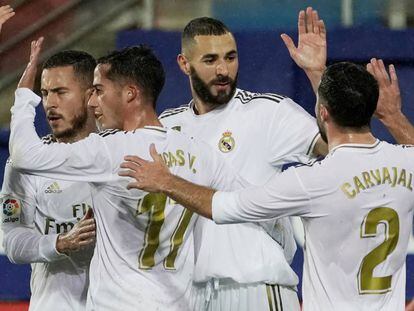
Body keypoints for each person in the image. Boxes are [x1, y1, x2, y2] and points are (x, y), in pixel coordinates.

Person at [120, 62, 414, 311]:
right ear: (372, 109)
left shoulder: (310, 181)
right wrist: (394, 116)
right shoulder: (406, 162)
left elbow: (221, 206)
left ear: (323, 112)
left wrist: (166, 181)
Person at [8, 39, 245, 311]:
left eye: (98, 90)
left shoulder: (109, 150)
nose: (93, 101)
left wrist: (24, 98)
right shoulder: (199, 152)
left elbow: (25, 154)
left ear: (130, 94)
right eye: (45, 92)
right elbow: (246, 202)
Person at [156, 12, 327, 310]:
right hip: (192, 295)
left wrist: (317, 75)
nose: (224, 69)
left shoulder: (267, 113)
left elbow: (336, 145)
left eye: (231, 57)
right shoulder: (167, 127)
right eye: (210, 60)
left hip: (257, 288)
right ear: (185, 64)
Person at [1, 39, 97, 310]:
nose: (49, 104)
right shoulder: (25, 165)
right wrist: (59, 242)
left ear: (91, 95)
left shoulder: (117, 155)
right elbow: (12, 241)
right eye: (44, 93)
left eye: (60, 92)